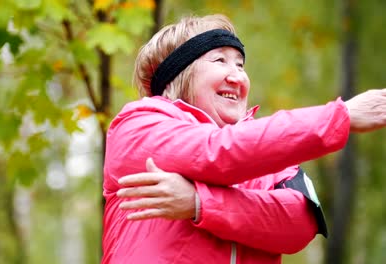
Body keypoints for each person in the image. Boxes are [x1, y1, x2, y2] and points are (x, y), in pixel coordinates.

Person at [101, 14, 386, 264]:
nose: (237, 76)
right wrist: (339, 116)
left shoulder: (268, 155)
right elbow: (217, 153)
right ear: (180, 76)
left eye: (240, 65)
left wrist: (199, 202)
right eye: (220, 60)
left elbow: (299, 224)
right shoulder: (138, 125)